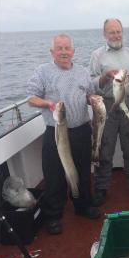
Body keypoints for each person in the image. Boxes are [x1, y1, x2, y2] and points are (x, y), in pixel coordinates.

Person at [27, 34, 101, 235]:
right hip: (56, 131)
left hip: (81, 130)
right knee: (54, 175)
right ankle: (54, 215)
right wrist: (47, 104)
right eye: (59, 48)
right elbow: (31, 98)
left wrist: (92, 99)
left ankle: (82, 206)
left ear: (73, 51)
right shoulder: (42, 71)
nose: (64, 52)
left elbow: (87, 95)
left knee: (83, 171)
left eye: (67, 48)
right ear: (52, 52)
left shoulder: (83, 72)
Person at [89, 18, 129, 205]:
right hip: (106, 105)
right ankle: (101, 187)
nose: (116, 35)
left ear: (123, 32)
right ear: (104, 34)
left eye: (118, 31)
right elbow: (92, 85)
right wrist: (106, 76)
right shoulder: (97, 55)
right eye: (111, 32)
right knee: (104, 149)